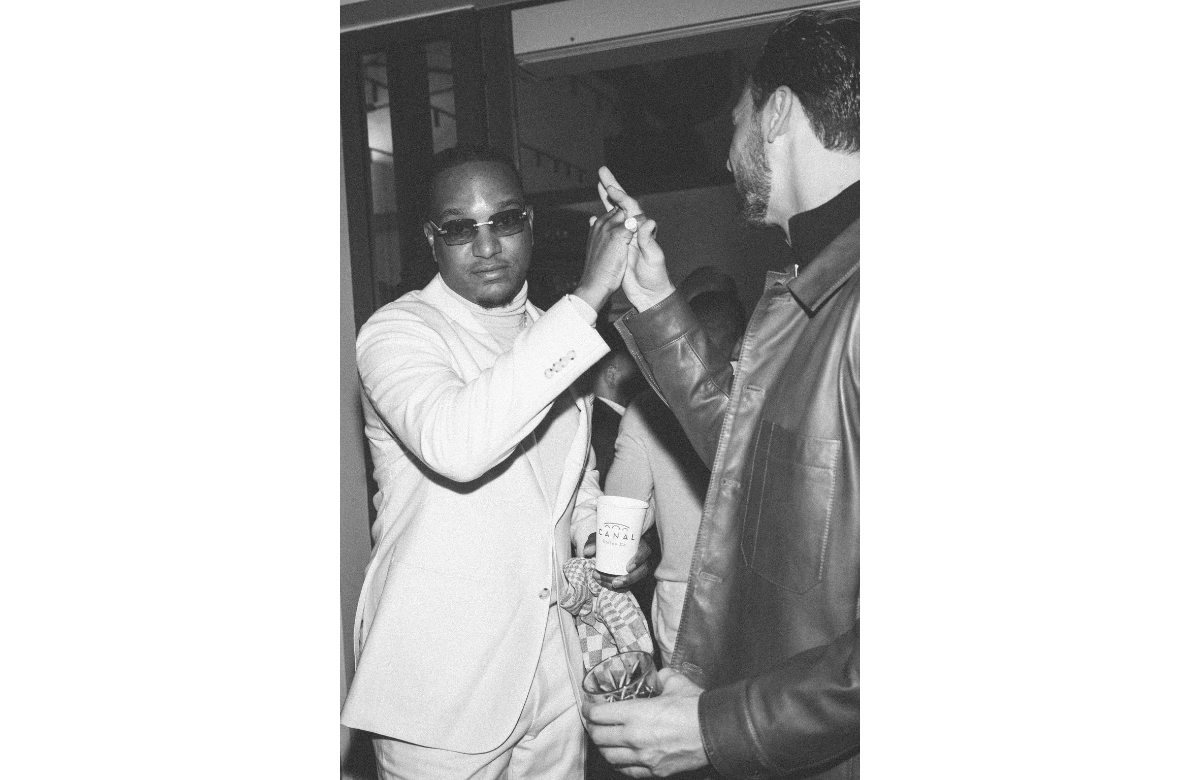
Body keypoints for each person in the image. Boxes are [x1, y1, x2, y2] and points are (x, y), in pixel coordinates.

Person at [583, 9, 861, 779]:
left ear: (776, 113)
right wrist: (655, 300)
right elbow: (755, 463)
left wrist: (718, 726)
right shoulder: (813, 285)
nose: (731, 150)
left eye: (738, 118)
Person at [340, 143, 651, 780]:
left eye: (505, 220)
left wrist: (600, 536)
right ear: (431, 240)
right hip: (441, 687)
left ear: (528, 224)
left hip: (556, 673)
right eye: (460, 228)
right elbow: (459, 446)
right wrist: (591, 293)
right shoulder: (398, 332)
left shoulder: (552, 332)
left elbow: (571, 482)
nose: (487, 246)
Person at [603, 284, 746, 667]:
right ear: (740, 344)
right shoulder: (766, 398)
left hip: (681, 601)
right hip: (755, 598)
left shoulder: (646, 408)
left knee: (679, 703)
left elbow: (623, 511)